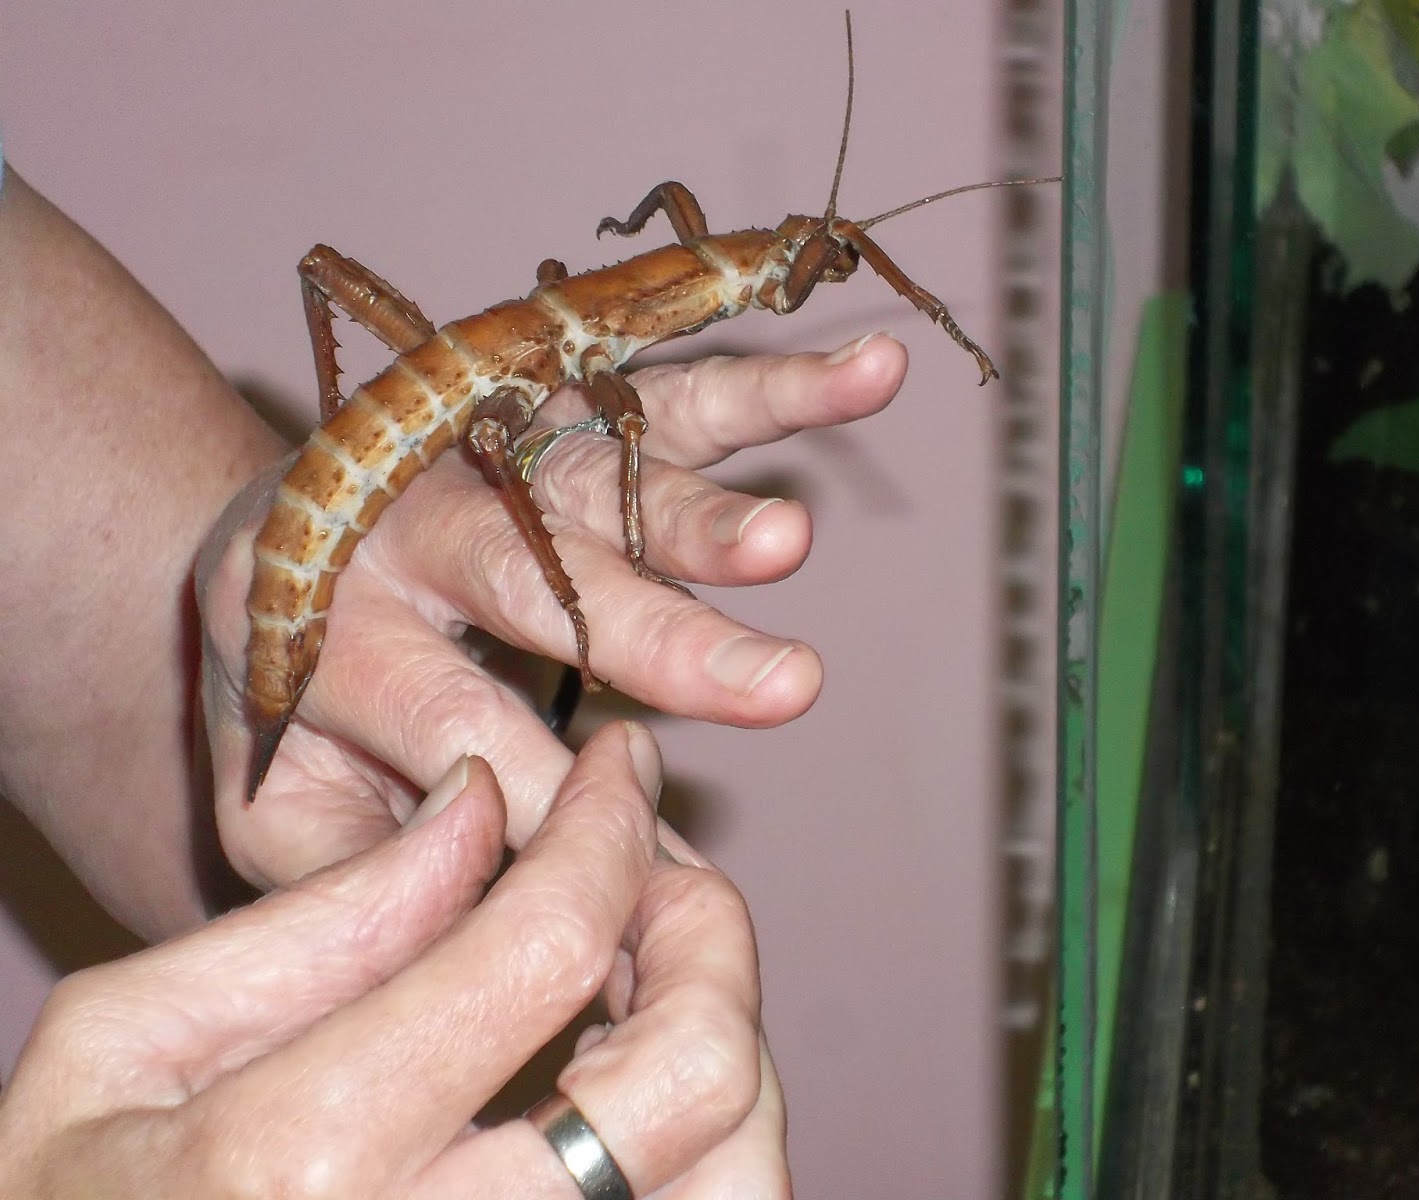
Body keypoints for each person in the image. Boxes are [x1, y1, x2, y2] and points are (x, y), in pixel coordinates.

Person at [0, 159, 909, 1196]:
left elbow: (100, 647)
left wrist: (253, 533)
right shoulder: (643, 313)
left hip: (454, 412)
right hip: (461, 395)